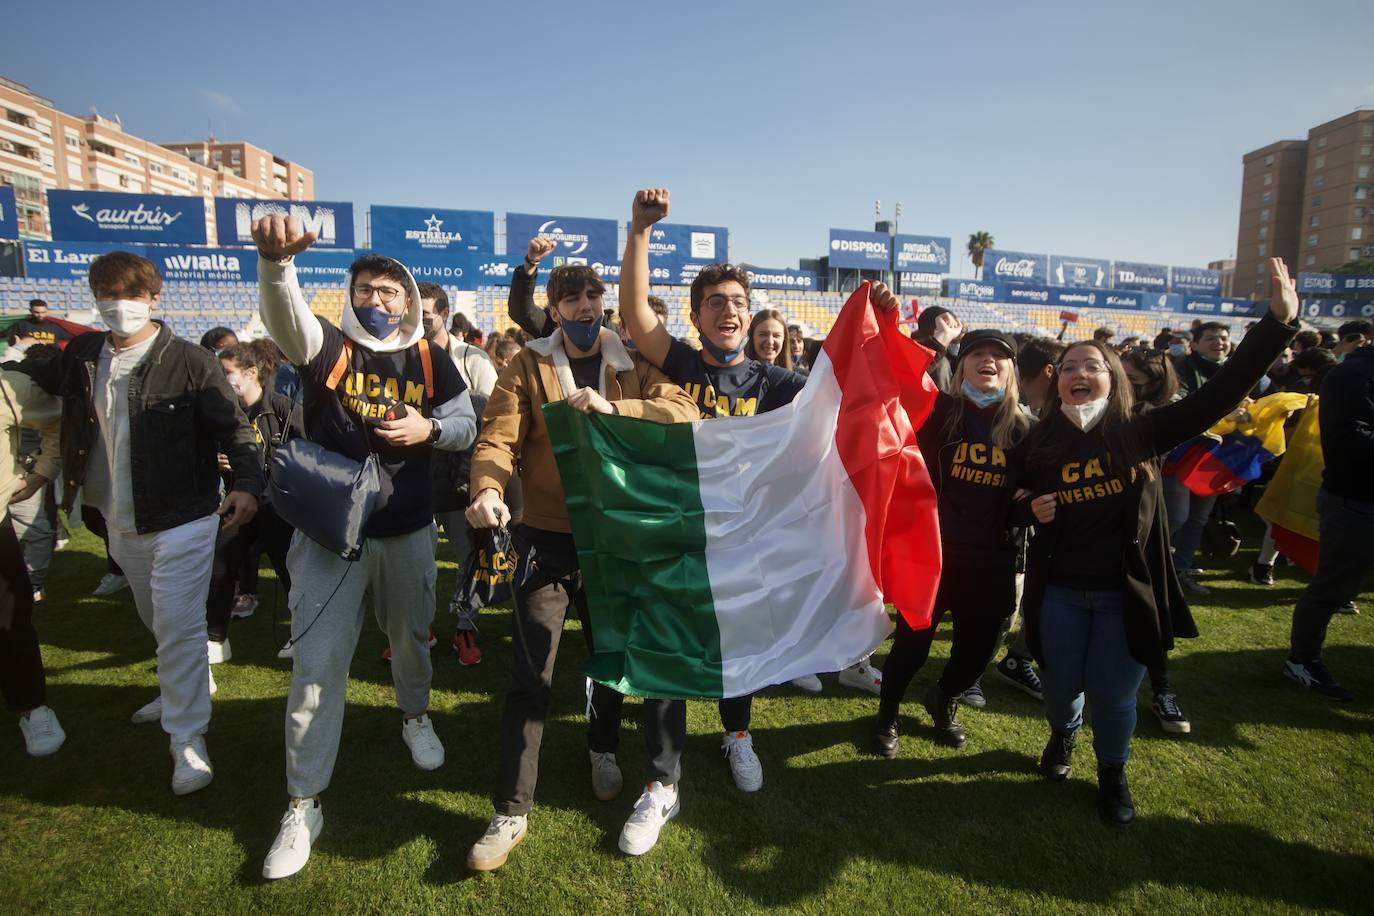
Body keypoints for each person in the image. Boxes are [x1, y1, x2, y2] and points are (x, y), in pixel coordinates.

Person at [616, 188, 900, 849]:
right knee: (670, 650)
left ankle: (737, 735)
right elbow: (633, 312)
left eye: (740, 303)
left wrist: (878, 322)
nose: (731, 312)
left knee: (740, 643)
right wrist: (639, 232)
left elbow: (844, 392)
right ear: (696, 314)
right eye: (716, 302)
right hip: (680, 534)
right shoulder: (682, 365)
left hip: (748, 544)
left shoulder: (777, 383)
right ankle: (662, 781)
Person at [1021, 258, 1297, 827]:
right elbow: (1013, 494)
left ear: (1112, 378)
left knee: (1115, 695)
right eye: (1067, 366)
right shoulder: (1040, 439)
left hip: (1127, 593)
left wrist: (1276, 325)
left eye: (1091, 365)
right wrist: (1027, 504)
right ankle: (1063, 735)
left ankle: (1112, 772)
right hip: (1061, 592)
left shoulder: (1141, 429)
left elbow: (1218, 397)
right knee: (1060, 687)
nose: (1077, 372)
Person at [251, 216, 476, 880]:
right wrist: (275, 265)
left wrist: (428, 427)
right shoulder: (326, 342)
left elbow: (466, 421)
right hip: (330, 537)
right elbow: (285, 318)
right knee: (317, 666)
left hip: (406, 532)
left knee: (410, 640)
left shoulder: (432, 357)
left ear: (408, 298)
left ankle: (414, 714)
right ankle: (304, 800)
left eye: (388, 291)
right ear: (350, 295)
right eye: (366, 290)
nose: (376, 301)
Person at [462, 259, 699, 870]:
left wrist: (617, 411)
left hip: (619, 539)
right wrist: (487, 490)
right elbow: (496, 437)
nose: (586, 306)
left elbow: (684, 414)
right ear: (555, 307)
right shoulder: (527, 363)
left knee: (616, 658)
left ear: (606, 303)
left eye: (594, 294)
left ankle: (601, 748)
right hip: (545, 537)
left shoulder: (635, 360)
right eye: (572, 298)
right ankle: (511, 809)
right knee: (531, 675)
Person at [41, 250, 262, 794]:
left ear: (153, 297)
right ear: (95, 297)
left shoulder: (190, 361)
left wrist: (247, 485)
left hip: (182, 515)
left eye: (130, 294)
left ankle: (186, 736)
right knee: (156, 618)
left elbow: (235, 431)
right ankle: (180, 685)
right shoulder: (86, 353)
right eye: (108, 294)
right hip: (117, 516)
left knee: (180, 625)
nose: (119, 305)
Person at [874, 329, 1030, 755]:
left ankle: (945, 699)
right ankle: (887, 714)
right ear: (961, 366)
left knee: (977, 653)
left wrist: (1028, 505)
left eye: (998, 356)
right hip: (935, 556)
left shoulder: (1026, 430)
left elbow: (1037, 489)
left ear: (1011, 370)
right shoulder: (939, 412)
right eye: (977, 353)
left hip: (993, 560)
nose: (988, 361)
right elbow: (893, 379)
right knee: (912, 642)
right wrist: (886, 319)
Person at [1284, 336, 1374, 700]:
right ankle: (1302, 659)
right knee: (1334, 586)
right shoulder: (1351, 374)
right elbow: (1348, 441)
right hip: (1356, 500)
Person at [203, 340, 304, 665]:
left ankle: (301, 635)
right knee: (220, 568)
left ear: (251, 372)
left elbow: (312, 454)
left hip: (279, 506)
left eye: (228, 372)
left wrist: (268, 465)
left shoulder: (282, 407)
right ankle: (214, 640)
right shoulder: (221, 411)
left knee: (291, 573)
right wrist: (216, 461)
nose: (223, 378)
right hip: (236, 501)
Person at [416, 281, 497, 665]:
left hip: (460, 479)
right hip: (411, 477)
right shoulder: (402, 354)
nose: (419, 320)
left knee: (467, 557)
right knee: (415, 558)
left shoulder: (474, 359)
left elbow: (495, 419)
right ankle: (421, 627)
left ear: (444, 314)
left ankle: (466, 627)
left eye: (427, 314)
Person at [1119, 347, 1192, 735]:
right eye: (1121, 377)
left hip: (1140, 533)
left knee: (1148, 611)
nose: (1124, 388)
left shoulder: (1153, 422)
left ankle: (1163, 689)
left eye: (1134, 383)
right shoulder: (1081, 410)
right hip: (1081, 530)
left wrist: (1278, 326)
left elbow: (1214, 401)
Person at [1, 351, 65, 756]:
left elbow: (59, 420)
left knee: (9, 619)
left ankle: (30, 705)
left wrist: (43, 471)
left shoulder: (9, 386)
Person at [913, 306, 962, 393]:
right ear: (939, 328)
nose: (956, 331)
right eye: (953, 326)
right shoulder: (940, 364)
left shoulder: (915, 354)